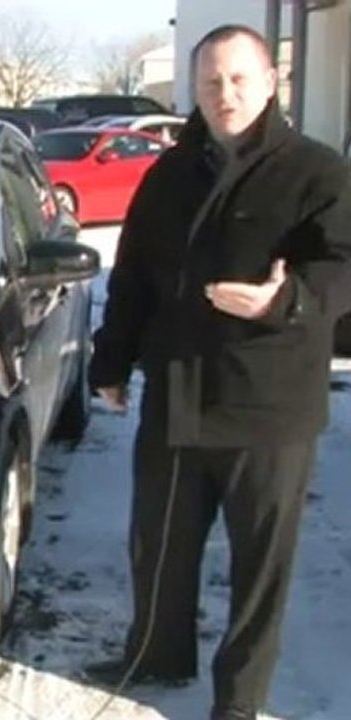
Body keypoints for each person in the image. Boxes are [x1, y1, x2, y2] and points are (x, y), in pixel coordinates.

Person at [83, 24, 351, 720]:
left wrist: (285, 300)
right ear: (193, 90)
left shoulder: (315, 171)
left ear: (269, 83)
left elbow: (342, 266)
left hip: (268, 409)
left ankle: (239, 699)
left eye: (237, 79)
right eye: (209, 82)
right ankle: (156, 653)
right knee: (160, 546)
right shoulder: (169, 174)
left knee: (259, 570)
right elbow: (134, 275)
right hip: (176, 396)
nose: (224, 93)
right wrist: (110, 361)